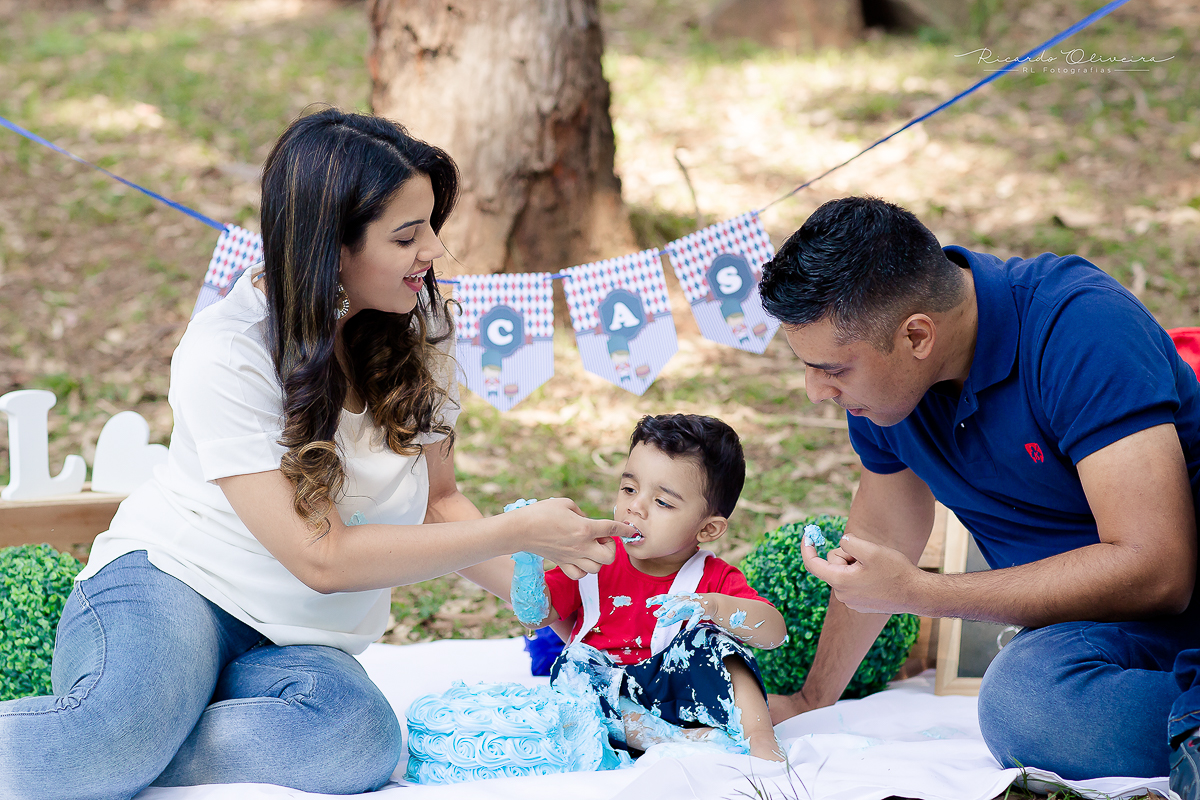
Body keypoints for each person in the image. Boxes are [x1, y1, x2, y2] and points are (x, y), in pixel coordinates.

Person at [0, 108, 627, 800]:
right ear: (332, 246)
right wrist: (518, 527)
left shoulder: (417, 330)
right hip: (173, 587)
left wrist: (549, 603)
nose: (433, 253)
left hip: (293, 643)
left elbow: (441, 504)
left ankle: (147, 737)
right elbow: (320, 558)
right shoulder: (228, 351)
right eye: (406, 235)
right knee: (108, 736)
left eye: (431, 227)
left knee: (356, 740)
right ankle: (123, 734)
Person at [755, 195, 1200, 787]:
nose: (816, 391)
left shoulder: (1079, 326)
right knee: (1024, 702)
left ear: (917, 336)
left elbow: (1159, 571)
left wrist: (924, 592)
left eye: (832, 370)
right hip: (1118, 632)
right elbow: (880, 540)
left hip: (1182, 597)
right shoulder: (887, 394)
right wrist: (813, 699)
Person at [512, 414, 788, 762]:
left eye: (663, 503)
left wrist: (713, 608)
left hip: (682, 701)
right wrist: (527, 562)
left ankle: (761, 740)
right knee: (573, 666)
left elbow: (774, 634)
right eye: (629, 488)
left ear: (707, 529)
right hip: (611, 707)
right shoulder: (593, 559)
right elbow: (534, 615)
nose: (635, 507)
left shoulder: (709, 577)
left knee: (725, 648)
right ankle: (669, 741)